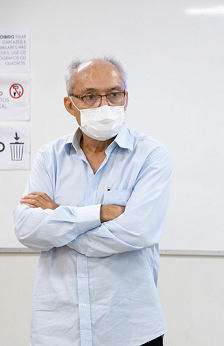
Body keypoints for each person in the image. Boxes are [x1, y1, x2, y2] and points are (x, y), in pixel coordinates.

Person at [14, 57, 171, 346]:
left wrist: (60, 218)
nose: (104, 105)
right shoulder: (50, 158)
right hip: (59, 330)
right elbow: (27, 229)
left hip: (129, 328)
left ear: (126, 99)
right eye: (90, 96)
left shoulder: (150, 156)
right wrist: (97, 213)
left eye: (113, 94)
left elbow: (138, 232)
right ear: (69, 104)